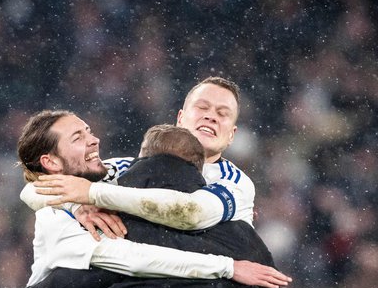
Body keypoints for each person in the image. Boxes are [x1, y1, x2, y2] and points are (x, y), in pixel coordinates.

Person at [12, 111, 291, 288]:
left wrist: (87, 197)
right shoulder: (61, 216)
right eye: (78, 136)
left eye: (89, 131)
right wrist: (226, 267)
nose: (94, 140)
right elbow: (130, 259)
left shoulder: (109, 198)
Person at [23, 76, 256, 233]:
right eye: (202, 107)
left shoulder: (235, 183)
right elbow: (35, 187)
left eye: (222, 113)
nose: (211, 116)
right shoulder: (127, 166)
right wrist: (75, 206)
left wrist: (93, 194)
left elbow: (191, 213)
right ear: (180, 118)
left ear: (232, 135)